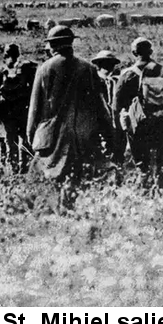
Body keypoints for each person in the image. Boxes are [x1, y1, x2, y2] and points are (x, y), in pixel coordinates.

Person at [27, 25, 114, 208]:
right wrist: (108, 134)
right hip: (83, 134)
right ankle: (73, 212)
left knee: (50, 180)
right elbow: (100, 107)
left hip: (53, 135)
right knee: (78, 178)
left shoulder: (44, 69)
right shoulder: (89, 68)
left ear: (54, 46)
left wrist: (31, 134)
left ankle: (56, 214)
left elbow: (35, 108)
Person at [113, 37, 163, 188]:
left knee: (143, 166)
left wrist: (118, 133)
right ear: (151, 51)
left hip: (139, 126)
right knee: (160, 164)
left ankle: (145, 187)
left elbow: (117, 106)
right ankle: (160, 182)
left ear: (134, 52)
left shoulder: (127, 74)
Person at [0, 44, 35, 172]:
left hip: (11, 109)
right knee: (21, 138)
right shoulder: (25, 67)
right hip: (18, 109)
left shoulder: (3, 69)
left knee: (12, 139)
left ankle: (15, 166)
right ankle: (21, 166)